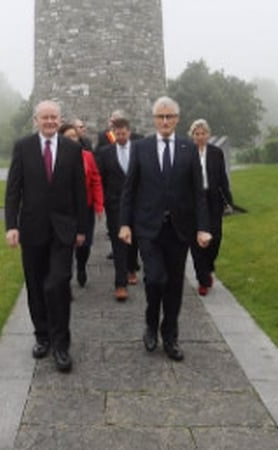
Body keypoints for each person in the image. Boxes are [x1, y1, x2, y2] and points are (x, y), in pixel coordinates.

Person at [119, 96, 211, 362]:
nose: (165, 121)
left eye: (170, 116)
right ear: (154, 120)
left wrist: (202, 228)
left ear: (178, 119)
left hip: (179, 230)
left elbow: (198, 193)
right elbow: (129, 190)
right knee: (156, 279)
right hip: (148, 228)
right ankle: (151, 321)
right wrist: (125, 224)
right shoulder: (141, 148)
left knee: (174, 285)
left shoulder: (188, 148)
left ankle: (170, 334)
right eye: (161, 117)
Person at [4, 100, 88, 373]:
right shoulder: (23, 147)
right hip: (32, 228)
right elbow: (13, 190)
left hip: (63, 231)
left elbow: (80, 192)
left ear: (60, 119)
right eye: (45, 117)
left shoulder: (73, 149)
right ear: (36, 120)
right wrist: (11, 225)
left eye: (54, 117)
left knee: (58, 284)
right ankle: (42, 337)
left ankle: (61, 345)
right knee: (36, 285)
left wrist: (81, 229)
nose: (50, 121)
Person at [95, 117, 140, 301]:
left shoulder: (139, 150)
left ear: (129, 132)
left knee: (134, 239)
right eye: (117, 133)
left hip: (137, 203)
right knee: (118, 243)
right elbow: (101, 179)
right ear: (113, 133)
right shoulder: (105, 153)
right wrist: (104, 201)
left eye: (123, 133)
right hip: (115, 205)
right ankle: (120, 284)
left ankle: (131, 268)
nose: (120, 136)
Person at [188, 119, 234, 296]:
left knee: (215, 237)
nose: (200, 137)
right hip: (193, 201)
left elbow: (222, 178)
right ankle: (203, 279)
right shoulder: (187, 153)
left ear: (208, 134)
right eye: (197, 134)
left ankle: (208, 265)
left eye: (203, 133)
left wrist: (228, 200)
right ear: (192, 135)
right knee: (197, 242)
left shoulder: (216, 153)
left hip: (212, 199)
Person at [59, 123, 104, 288]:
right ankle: (66, 279)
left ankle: (81, 266)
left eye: (74, 136)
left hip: (85, 207)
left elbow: (96, 180)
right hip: (64, 209)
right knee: (65, 245)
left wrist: (99, 205)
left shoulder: (87, 156)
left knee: (84, 244)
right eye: (68, 137)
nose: (72, 140)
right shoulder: (55, 158)